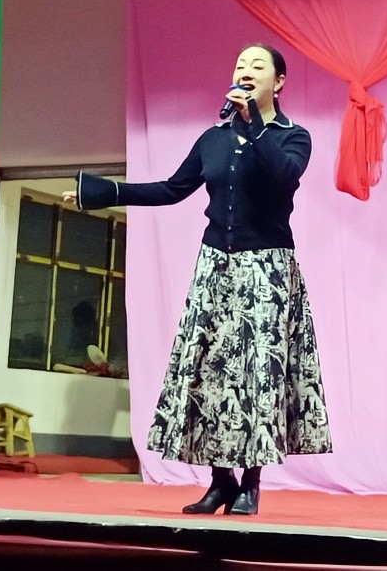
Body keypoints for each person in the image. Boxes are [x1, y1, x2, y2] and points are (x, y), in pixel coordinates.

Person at [64, 44, 332, 516]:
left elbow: (283, 175)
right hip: (215, 268)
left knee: (257, 375)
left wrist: (254, 122)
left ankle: (251, 483)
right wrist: (100, 193)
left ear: (279, 82)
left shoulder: (293, 136)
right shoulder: (212, 138)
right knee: (209, 372)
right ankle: (220, 482)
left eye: (257, 66)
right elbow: (171, 189)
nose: (245, 71)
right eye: (240, 65)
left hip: (267, 269)